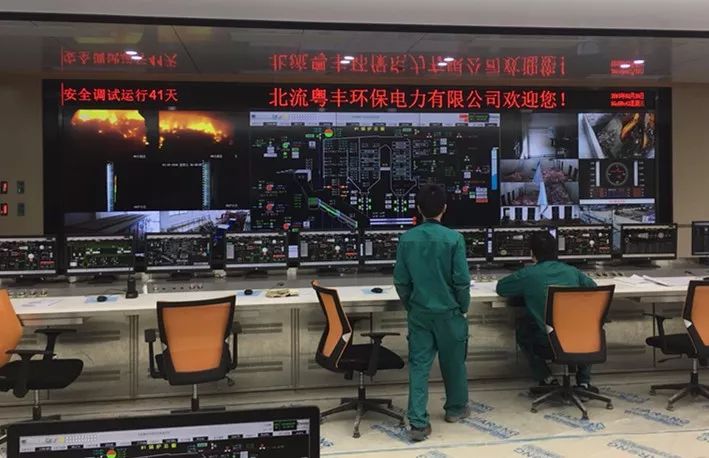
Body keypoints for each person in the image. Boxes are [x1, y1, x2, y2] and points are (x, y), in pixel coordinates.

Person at [393, 184, 471, 442]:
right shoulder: (454, 239)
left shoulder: (406, 239)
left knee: (419, 366)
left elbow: (401, 281)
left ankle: (417, 422)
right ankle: (455, 410)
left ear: (418, 209)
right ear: (444, 209)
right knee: (454, 363)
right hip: (449, 313)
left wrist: (411, 305)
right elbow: (461, 281)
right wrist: (463, 307)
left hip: (420, 313)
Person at [496, 231, 598, 391]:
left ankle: (546, 377)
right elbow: (594, 289)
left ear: (532, 253)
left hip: (547, 341)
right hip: (580, 339)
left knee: (523, 330)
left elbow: (501, 288)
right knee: (587, 326)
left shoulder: (528, 275)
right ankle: (583, 382)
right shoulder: (572, 271)